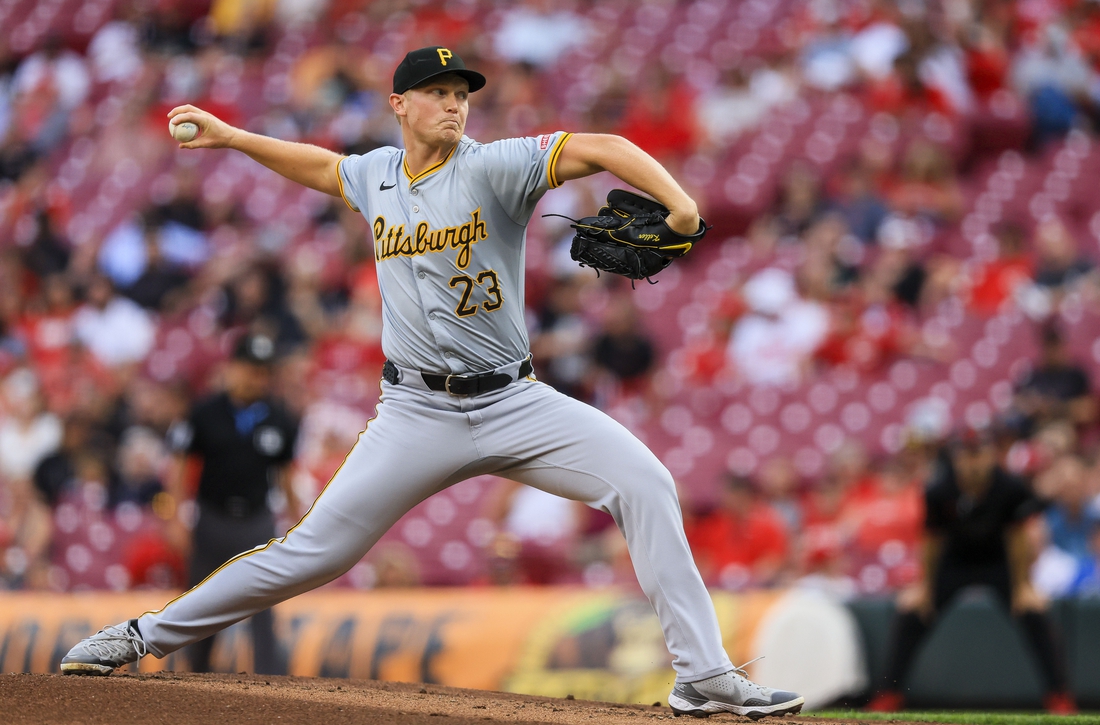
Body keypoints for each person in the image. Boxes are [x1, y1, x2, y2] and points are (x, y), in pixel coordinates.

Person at [59, 47, 803, 719]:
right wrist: (232, 137)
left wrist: (681, 204)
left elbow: (601, 147)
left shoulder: (493, 166)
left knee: (646, 483)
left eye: (461, 94)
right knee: (313, 551)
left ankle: (702, 677)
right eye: (437, 92)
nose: (454, 105)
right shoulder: (376, 173)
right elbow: (320, 167)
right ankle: (143, 634)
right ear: (400, 105)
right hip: (414, 410)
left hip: (515, 400)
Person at [866, 430, 1076, 715]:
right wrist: (925, 587)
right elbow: (932, 541)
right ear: (956, 458)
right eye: (966, 455)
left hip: (998, 562)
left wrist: (1023, 585)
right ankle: (888, 694)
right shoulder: (939, 490)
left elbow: (1017, 538)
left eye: (978, 454)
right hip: (955, 563)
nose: (972, 463)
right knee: (911, 612)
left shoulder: (1009, 487)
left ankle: (1059, 696)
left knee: (1034, 612)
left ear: (990, 456)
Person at [162, 332, 300, 674]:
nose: (258, 378)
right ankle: (193, 678)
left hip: (256, 521)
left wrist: (298, 523)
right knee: (200, 604)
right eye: (252, 369)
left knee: (262, 606)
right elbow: (180, 466)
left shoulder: (279, 418)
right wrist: (175, 518)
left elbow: (287, 476)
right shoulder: (205, 412)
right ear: (233, 368)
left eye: (264, 371)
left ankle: (269, 684)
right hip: (212, 519)